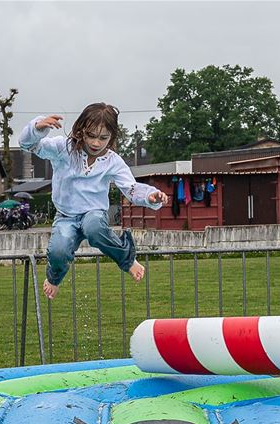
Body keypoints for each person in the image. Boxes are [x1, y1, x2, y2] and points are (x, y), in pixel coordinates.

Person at [19, 103, 168, 299]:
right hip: (65, 216)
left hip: (93, 214)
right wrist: (37, 128)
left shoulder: (113, 161)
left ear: (112, 137)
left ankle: (127, 259)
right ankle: (54, 278)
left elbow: (130, 188)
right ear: (80, 131)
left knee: (94, 228)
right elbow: (28, 145)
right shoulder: (63, 149)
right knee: (58, 251)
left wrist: (150, 196)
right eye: (91, 135)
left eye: (103, 138)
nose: (96, 143)